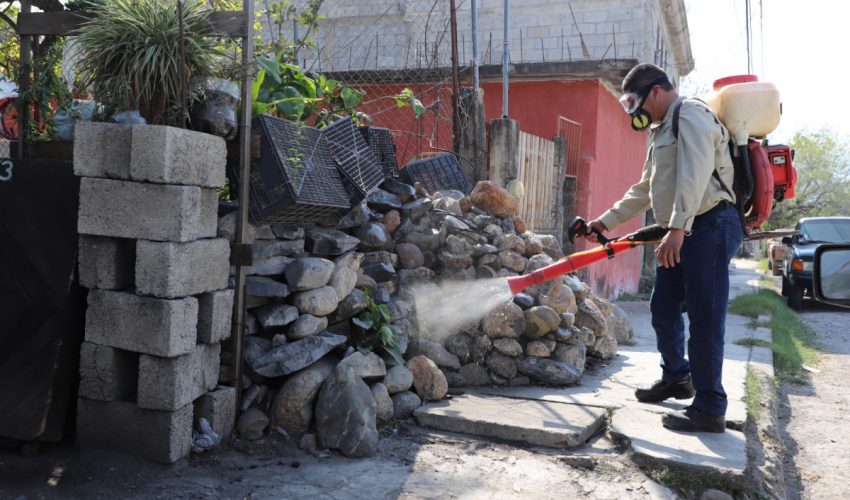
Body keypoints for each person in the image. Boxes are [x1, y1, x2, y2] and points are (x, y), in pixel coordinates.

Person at [580, 63, 743, 433]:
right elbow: (646, 187)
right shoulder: (661, 128)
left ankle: (710, 407)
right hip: (683, 227)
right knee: (663, 306)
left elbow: (696, 173)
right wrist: (606, 221)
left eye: (636, 102)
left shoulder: (693, 114)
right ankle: (677, 378)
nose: (637, 113)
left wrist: (678, 229)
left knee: (705, 315)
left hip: (711, 223)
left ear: (655, 91)